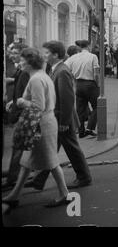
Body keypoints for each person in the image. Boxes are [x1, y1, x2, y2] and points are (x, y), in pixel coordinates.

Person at [2, 48, 70, 208]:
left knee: (51, 161)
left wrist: (21, 102)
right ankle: (15, 195)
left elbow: (39, 106)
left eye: (22, 60)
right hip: (45, 122)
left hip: (41, 124)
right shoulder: (41, 76)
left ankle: (64, 194)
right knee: (27, 162)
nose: (20, 62)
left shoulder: (36, 80)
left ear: (30, 62)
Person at [24, 41, 92, 191]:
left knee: (72, 149)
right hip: (58, 118)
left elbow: (67, 99)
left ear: (55, 55)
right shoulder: (55, 69)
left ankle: (84, 177)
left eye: (47, 53)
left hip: (62, 119)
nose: (44, 55)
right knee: (50, 149)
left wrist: (65, 122)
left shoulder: (62, 71)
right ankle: (39, 180)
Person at [2, 43, 30, 192]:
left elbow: (26, 93)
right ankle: (16, 179)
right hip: (19, 113)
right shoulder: (21, 69)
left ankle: (13, 180)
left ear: (22, 54)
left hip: (22, 115)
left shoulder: (25, 71)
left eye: (13, 52)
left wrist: (17, 105)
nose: (10, 54)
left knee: (18, 148)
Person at [65, 39, 100, 138]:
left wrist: (73, 77)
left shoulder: (74, 57)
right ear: (88, 46)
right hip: (90, 84)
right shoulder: (93, 56)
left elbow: (65, 67)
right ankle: (90, 128)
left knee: (80, 109)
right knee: (98, 106)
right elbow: (96, 73)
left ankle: (81, 132)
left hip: (79, 85)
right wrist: (98, 85)